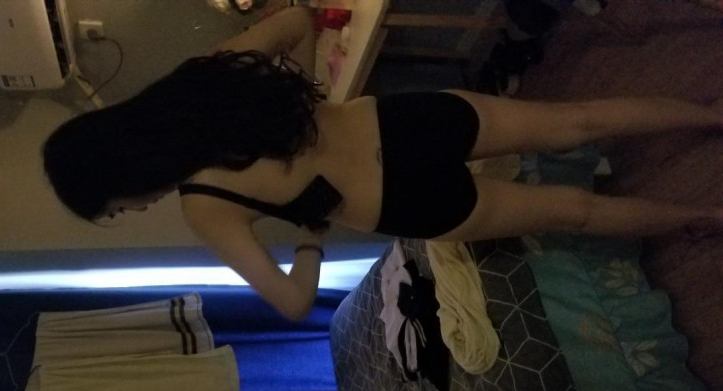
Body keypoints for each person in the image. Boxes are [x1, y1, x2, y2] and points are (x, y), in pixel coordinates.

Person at [43, 6, 723, 321]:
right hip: (403, 122)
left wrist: (311, 238)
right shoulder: (201, 83)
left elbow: (293, 302)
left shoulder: (203, 207)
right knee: (579, 122)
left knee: (576, 211)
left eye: (115, 205)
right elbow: (298, 21)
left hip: (407, 199)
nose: (130, 209)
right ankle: (712, 117)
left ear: (119, 175)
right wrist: (309, 99)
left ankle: (704, 215)